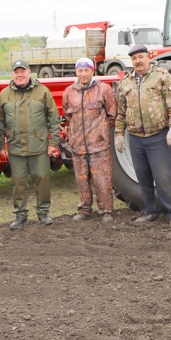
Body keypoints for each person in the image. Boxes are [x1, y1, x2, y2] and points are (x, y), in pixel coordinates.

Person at [114, 44, 171, 227]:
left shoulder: (162, 77)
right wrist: (119, 134)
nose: (138, 61)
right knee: (143, 178)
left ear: (148, 57)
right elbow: (121, 112)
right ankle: (150, 211)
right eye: (134, 59)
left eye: (140, 57)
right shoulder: (126, 82)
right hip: (136, 139)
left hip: (158, 137)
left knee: (164, 178)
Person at [0, 59, 61, 229]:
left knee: (42, 180)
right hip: (15, 147)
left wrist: (53, 143)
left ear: (29, 72)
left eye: (22, 71)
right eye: (16, 72)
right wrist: (1, 147)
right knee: (18, 182)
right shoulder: (4, 94)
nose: (20, 75)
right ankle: (20, 215)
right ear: (12, 74)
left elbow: (54, 119)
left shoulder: (42, 92)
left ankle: (43, 213)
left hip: (39, 146)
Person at [62, 57, 117, 222]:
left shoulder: (104, 89)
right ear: (76, 71)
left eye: (87, 70)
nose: (83, 74)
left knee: (102, 179)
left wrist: (101, 132)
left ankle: (106, 209)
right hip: (78, 145)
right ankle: (85, 209)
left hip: (98, 145)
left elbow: (112, 114)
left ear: (92, 71)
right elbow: (68, 115)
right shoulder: (69, 92)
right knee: (81, 179)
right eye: (80, 70)